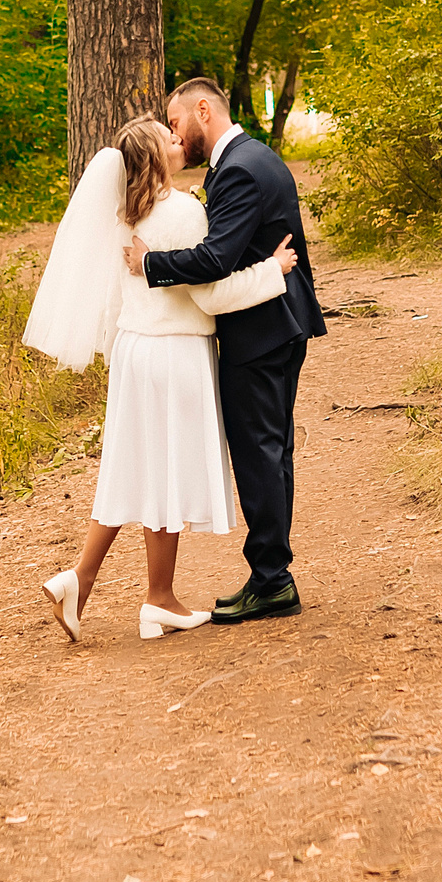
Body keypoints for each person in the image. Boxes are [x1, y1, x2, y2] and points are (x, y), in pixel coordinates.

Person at [22, 116, 300, 641]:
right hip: (175, 353)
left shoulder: (127, 213)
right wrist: (272, 270)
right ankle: (155, 599)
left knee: (135, 470)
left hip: (134, 351)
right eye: (166, 136)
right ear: (154, 156)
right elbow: (211, 294)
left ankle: (92, 582)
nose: (178, 139)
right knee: (165, 471)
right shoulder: (184, 212)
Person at [122, 77, 326, 624]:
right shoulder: (256, 157)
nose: (173, 131)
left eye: (175, 119)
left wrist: (150, 264)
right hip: (278, 325)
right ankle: (270, 575)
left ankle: (272, 581)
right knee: (272, 451)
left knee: (260, 453)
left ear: (203, 110)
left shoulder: (237, 169)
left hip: (260, 331)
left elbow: (214, 260)